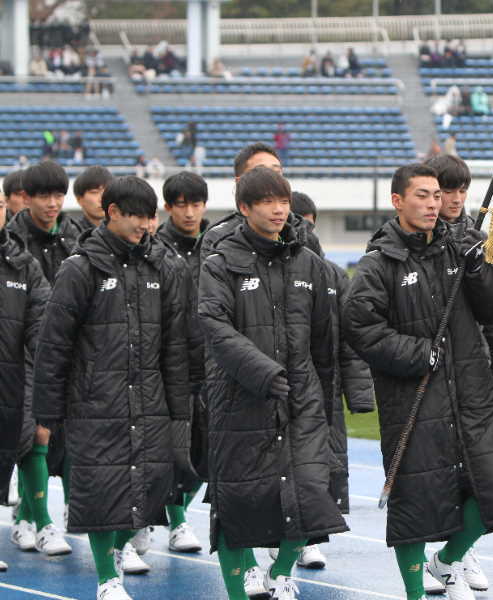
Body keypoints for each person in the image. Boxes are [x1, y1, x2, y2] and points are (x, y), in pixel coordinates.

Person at [343, 163, 493, 600]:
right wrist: (415, 353)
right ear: (398, 201)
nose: (432, 203)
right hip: (414, 396)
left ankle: (446, 561)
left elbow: (492, 310)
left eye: (436, 195)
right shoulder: (378, 261)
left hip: (473, 392)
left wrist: (479, 264)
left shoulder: (460, 247)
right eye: (422, 195)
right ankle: (412, 591)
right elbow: (358, 324)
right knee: (415, 501)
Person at [33, 176, 191, 600]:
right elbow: (54, 344)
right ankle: (107, 578)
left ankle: (119, 554)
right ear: (113, 212)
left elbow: (176, 348)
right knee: (102, 493)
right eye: (136, 215)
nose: (145, 224)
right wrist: (47, 414)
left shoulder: (167, 266)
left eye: (150, 215)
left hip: (152, 401)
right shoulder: (81, 267)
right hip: (95, 403)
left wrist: (180, 413)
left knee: (146, 488)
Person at [199, 166, 348, 600]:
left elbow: (325, 341)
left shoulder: (310, 264)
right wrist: (263, 372)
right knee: (237, 506)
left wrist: (321, 396)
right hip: (238, 401)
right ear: (244, 208)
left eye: (283, 200)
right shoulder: (219, 264)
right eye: (266, 201)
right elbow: (213, 323)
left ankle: (280, 572)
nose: (279, 208)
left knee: (310, 496)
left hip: (301, 403)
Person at [424, 153, 493, 593]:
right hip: (431, 375)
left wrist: (477, 265)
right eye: (448, 190)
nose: (457, 198)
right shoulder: (414, 239)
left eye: (463, 189)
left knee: (486, 473)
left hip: (474, 370)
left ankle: (457, 553)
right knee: (443, 472)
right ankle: (447, 554)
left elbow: (492, 313)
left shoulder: (474, 238)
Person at [287, 191, 376, 573]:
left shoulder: (333, 275)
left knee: (321, 466)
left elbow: (350, 340)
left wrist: (358, 393)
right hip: (280, 383)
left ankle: (310, 540)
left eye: (304, 219)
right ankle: (278, 542)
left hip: (322, 386)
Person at [0, 193, 69, 559]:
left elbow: (40, 324)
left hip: (15, 375)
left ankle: (39, 520)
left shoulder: (21, 263)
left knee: (30, 438)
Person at [153, 171, 210, 555]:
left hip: (209, 365)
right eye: (181, 205)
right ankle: (176, 521)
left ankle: (168, 513)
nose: (189, 212)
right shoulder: (155, 249)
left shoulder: (219, 245)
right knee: (170, 453)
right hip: (167, 367)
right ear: (168, 208)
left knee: (204, 458)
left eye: (196, 203)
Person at [72, 165, 113, 233]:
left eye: (107, 191)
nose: (102, 199)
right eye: (95, 192)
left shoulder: (123, 233)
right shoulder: (72, 234)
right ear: (79, 199)